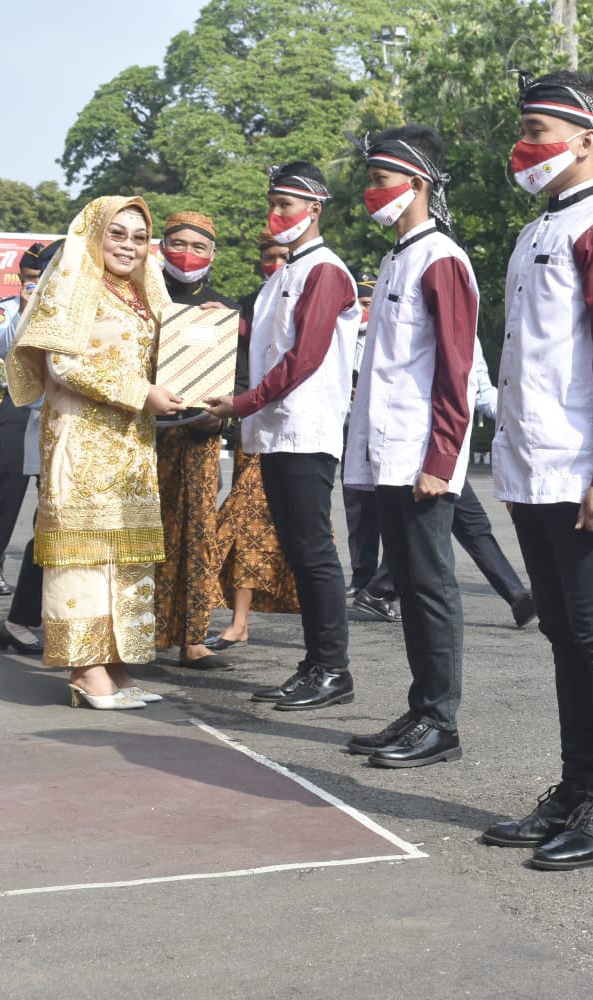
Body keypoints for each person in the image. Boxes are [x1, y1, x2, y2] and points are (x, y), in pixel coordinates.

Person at [483, 70, 593, 871]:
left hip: (585, 470)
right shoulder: (538, 230)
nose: (526, 145)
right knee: (562, 634)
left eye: (539, 130)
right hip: (532, 466)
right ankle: (574, 786)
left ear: (588, 140)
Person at [5, 195, 187, 708]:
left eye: (137, 236)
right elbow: (65, 365)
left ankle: (115, 665)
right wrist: (140, 393)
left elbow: (169, 350)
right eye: (117, 233)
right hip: (82, 442)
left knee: (124, 555)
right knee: (84, 556)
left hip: (130, 444)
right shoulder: (74, 285)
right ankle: (86, 672)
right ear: (93, 235)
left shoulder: (140, 293)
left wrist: (201, 331)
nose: (128, 246)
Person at [340, 125, 478, 769]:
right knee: (408, 584)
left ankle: (440, 721)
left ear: (418, 183)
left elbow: (455, 372)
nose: (370, 192)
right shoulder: (398, 258)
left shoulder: (441, 259)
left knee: (429, 585)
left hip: (423, 457)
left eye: (380, 179)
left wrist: (441, 461)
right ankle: (421, 706)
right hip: (388, 454)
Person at [203, 162, 360, 711]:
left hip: (304, 429)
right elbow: (254, 342)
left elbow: (305, 359)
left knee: (313, 552)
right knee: (299, 549)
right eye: (271, 203)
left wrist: (240, 402)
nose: (276, 214)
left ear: (314, 209)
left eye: (286, 205)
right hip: (272, 431)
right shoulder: (282, 276)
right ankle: (316, 663)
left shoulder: (327, 271)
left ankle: (332, 668)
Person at [351, 340, 536, 629]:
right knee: (442, 528)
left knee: (467, 525)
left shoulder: (468, 332)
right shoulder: (436, 321)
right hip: (427, 447)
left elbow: (480, 389)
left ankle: (518, 598)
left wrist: (514, 416)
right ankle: (379, 588)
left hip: (446, 451)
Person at [149, 211, 240, 671]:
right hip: (144, 439)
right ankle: (136, 633)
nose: (188, 254)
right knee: (143, 534)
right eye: (177, 243)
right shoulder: (141, 299)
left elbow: (239, 380)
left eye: (199, 246)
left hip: (199, 441)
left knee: (198, 535)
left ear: (212, 254)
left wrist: (218, 416)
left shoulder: (223, 312)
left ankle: (192, 638)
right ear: (160, 246)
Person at [206, 231, 300, 650]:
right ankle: (237, 621)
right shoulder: (242, 304)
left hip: (296, 432)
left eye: (284, 255)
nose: (275, 262)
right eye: (268, 256)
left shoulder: (309, 295)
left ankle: (323, 636)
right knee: (246, 524)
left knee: (300, 532)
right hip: (250, 431)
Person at [0, 241, 46, 595]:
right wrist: (24, 309)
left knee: (50, 492)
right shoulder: (5, 308)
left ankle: (41, 569)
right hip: (19, 404)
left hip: (53, 405)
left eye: (39, 278)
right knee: (7, 489)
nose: (33, 284)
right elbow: (4, 350)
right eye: (28, 278)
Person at [343, 272, 380, 596]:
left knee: (386, 512)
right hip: (347, 431)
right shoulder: (341, 335)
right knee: (357, 511)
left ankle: (382, 582)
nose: (363, 311)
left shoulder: (381, 336)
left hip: (378, 431)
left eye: (369, 304)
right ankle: (361, 577)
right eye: (359, 304)